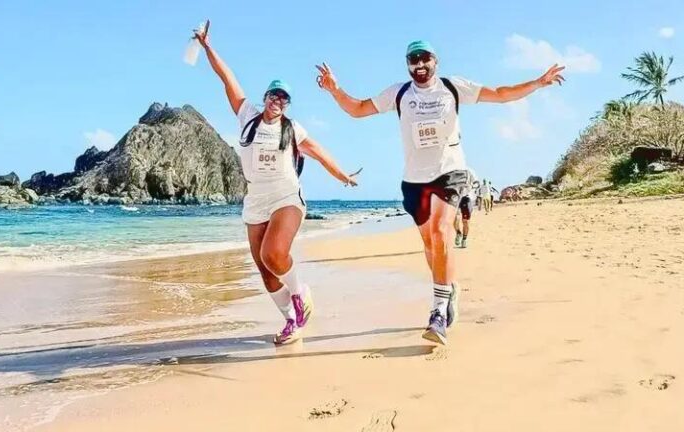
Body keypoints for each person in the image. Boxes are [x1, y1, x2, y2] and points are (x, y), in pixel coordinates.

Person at [316, 40, 564, 344]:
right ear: (407, 64)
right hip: (415, 179)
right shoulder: (399, 93)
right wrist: (334, 90)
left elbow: (500, 94)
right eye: (413, 60)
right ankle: (449, 287)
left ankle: (438, 311)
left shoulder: (453, 88)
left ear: (436, 61)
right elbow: (357, 109)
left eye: (425, 59)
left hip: (450, 172)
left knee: (441, 230)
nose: (419, 65)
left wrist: (537, 83)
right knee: (430, 245)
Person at [195, 23, 360, 345]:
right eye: (274, 95)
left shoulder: (292, 128)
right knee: (265, 270)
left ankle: (300, 293)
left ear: (287, 104)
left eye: (284, 98)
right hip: (255, 201)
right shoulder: (247, 115)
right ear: (265, 97)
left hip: (286, 197)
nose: (278, 100)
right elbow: (227, 78)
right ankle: (291, 321)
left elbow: (318, 152)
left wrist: (343, 176)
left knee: (273, 253)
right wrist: (207, 47)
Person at [454, 169, 477, 248]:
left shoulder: (468, 172)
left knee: (465, 221)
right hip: (456, 198)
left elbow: (476, 182)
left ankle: (464, 239)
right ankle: (458, 233)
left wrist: (474, 185)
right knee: (455, 219)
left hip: (466, 198)